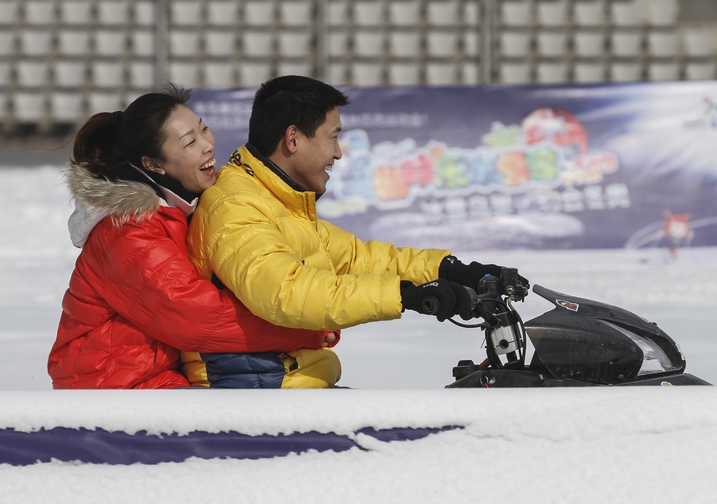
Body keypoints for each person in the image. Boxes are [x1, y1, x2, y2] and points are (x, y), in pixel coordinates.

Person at [186, 75, 528, 380]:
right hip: (249, 386)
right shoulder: (236, 207)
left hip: (277, 375)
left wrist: (451, 271)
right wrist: (406, 296)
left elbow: (357, 258)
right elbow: (288, 292)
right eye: (333, 137)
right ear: (293, 139)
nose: (338, 153)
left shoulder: (275, 199)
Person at [48, 84, 339, 390]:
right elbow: (196, 318)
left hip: (158, 376)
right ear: (153, 164)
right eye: (190, 142)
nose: (208, 145)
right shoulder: (129, 230)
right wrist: (305, 328)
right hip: (110, 384)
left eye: (204, 129)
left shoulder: (183, 207)